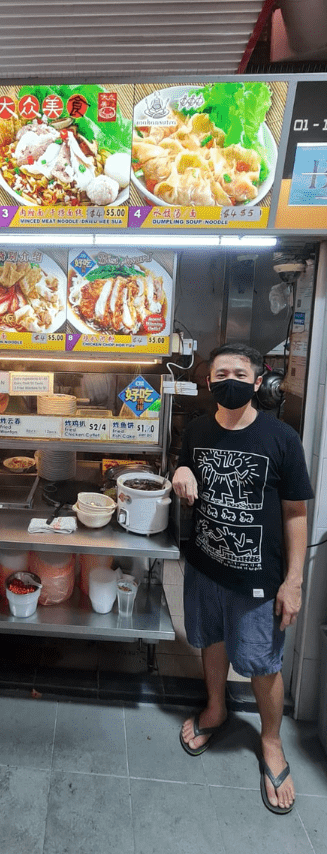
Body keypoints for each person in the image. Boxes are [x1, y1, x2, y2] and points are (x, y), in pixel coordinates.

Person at [171, 342, 313, 815]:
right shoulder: (194, 429)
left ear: (256, 382)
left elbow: (295, 513)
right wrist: (182, 470)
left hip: (259, 580)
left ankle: (271, 741)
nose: (228, 379)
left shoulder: (281, 439)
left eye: (239, 372)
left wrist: (293, 581)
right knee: (210, 641)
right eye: (220, 373)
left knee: (262, 662)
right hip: (205, 567)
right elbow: (184, 467)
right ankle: (216, 708)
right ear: (209, 382)